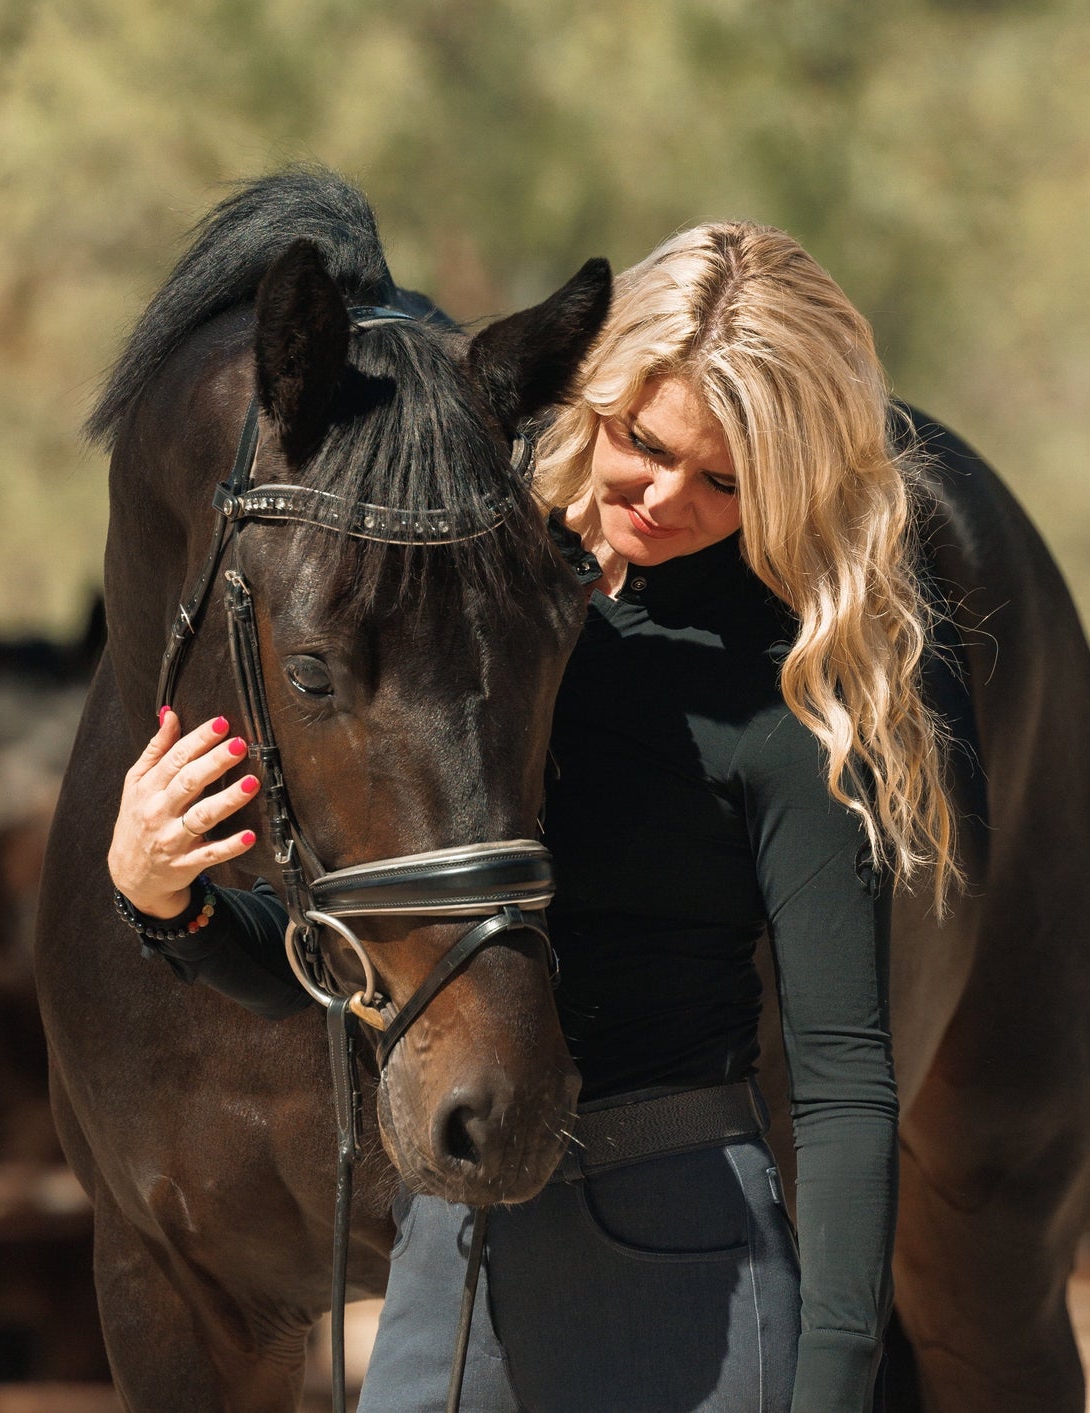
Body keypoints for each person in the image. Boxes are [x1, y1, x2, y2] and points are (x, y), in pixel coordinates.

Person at [107, 221, 959, 1413]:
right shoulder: (485, 624)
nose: (662, 497)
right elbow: (370, 965)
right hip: (450, 1272)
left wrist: (833, 1381)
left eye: (722, 479)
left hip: (682, 1267)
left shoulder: (786, 707)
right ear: (594, 404)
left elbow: (845, 1087)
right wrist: (172, 904)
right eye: (641, 443)